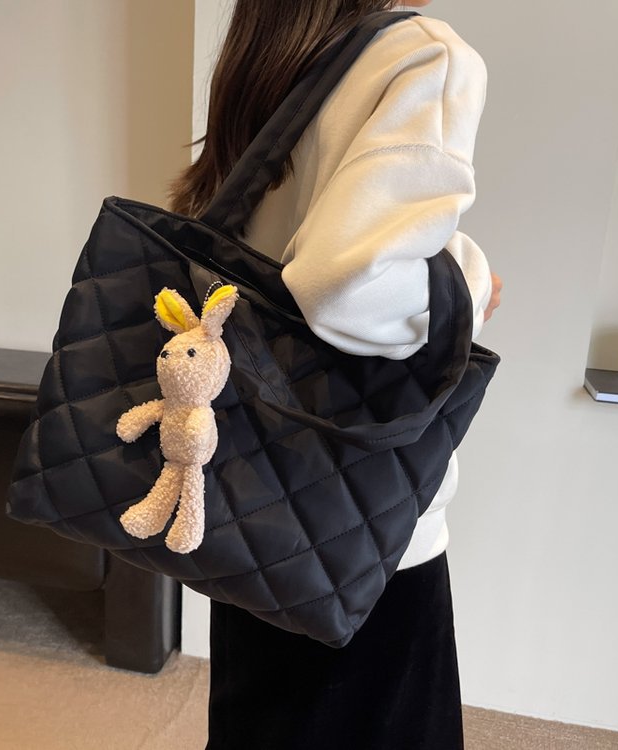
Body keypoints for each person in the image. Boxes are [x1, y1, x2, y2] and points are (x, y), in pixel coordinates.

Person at [170, 1, 502, 748]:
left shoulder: (279, 51)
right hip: (363, 521)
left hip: (250, 488)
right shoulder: (423, 54)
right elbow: (347, 284)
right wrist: (472, 283)